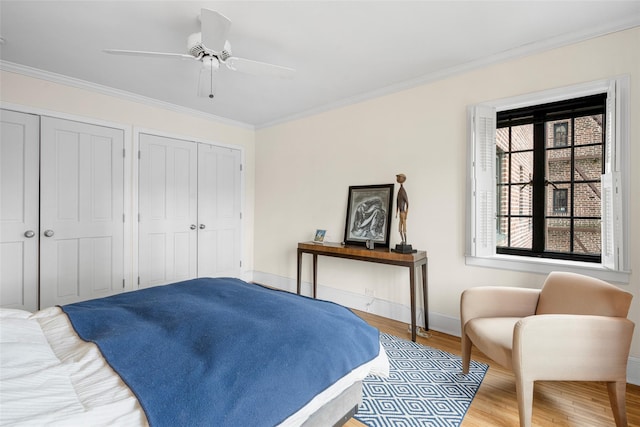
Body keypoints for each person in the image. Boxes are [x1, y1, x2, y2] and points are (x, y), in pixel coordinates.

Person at [396, 173, 408, 244]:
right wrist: (396, 212)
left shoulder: (402, 191)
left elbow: (407, 202)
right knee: (400, 229)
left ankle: (405, 241)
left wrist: (406, 213)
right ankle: (403, 240)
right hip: (400, 213)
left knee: (404, 229)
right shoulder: (400, 190)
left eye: (399, 177)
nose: (397, 178)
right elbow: (397, 201)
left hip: (403, 213)